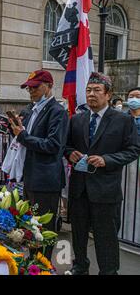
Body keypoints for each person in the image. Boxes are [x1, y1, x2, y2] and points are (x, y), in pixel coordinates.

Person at [65, 72, 140, 275]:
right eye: (88, 90)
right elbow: (66, 146)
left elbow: (133, 150)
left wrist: (106, 160)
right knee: (79, 235)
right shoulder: (77, 120)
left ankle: (108, 271)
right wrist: (70, 153)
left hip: (106, 192)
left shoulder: (122, 120)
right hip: (79, 190)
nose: (91, 94)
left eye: (97, 90)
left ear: (108, 95)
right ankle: (80, 266)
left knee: (106, 238)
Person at [7, 70, 69, 260]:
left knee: (44, 228)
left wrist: (22, 135)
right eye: (29, 87)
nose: (31, 90)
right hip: (29, 176)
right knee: (30, 225)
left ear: (49, 86)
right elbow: (22, 137)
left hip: (46, 180)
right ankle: (34, 261)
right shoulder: (29, 109)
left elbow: (53, 145)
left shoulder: (57, 112)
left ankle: (44, 264)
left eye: (35, 86)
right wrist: (13, 127)